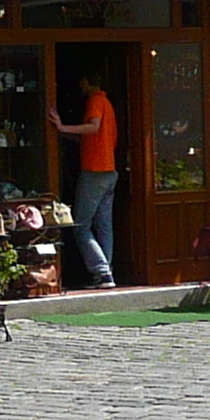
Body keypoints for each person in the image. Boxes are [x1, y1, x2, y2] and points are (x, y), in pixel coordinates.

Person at [51, 72, 120, 288]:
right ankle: (105, 272)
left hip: (94, 170)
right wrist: (66, 135)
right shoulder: (107, 102)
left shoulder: (95, 100)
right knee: (103, 224)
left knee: (80, 225)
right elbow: (94, 137)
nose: (80, 85)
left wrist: (63, 127)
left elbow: (94, 127)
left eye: (82, 80)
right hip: (109, 170)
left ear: (88, 82)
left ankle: (101, 270)